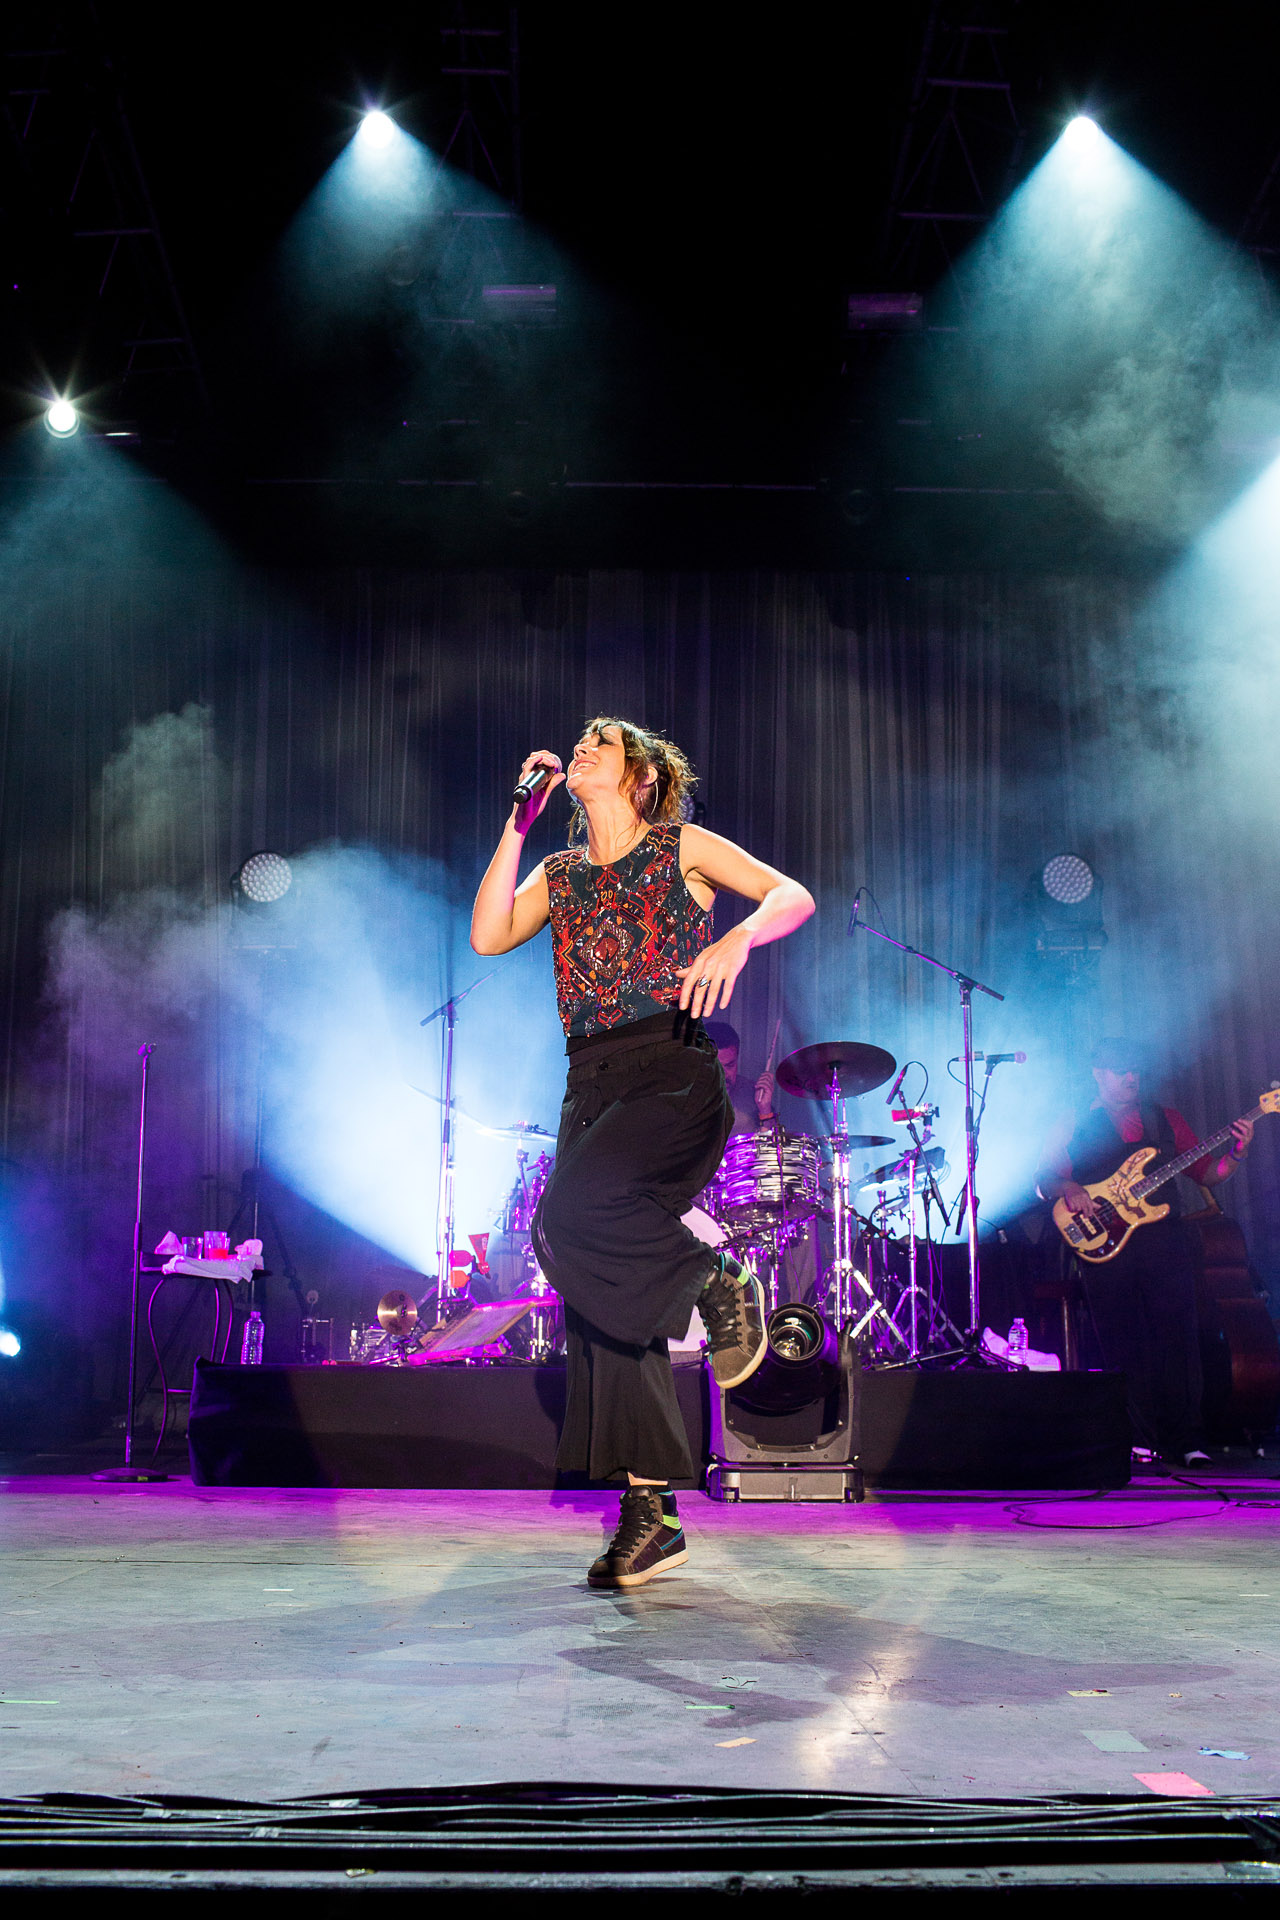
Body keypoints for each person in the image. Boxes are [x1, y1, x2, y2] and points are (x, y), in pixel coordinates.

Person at [471, 718, 814, 1586]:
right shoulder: (560, 872)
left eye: (603, 742)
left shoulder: (679, 846)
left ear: (641, 776)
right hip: (590, 1085)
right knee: (600, 1287)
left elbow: (791, 896)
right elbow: (488, 934)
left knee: (569, 1220)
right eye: (579, 741)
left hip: (672, 1071)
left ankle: (719, 1281)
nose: (582, 747)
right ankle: (650, 1512)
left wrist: (739, 935)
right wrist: (518, 822)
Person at [1036, 1036, 1254, 1468]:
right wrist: (1070, 1187)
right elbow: (1043, 1179)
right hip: (1105, 1242)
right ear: (1099, 1074)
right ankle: (1135, 1437)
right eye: (1121, 1071)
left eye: (1135, 1070)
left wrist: (1237, 1152)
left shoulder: (1164, 1118)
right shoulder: (1073, 1120)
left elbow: (1208, 1174)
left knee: (1179, 1336)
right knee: (1122, 1338)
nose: (1131, 1078)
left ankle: (1187, 1440)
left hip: (1164, 1239)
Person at [703, 1020, 775, 1137]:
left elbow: (772, 1144)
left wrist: (765, 1110)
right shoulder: (683, 1095)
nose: (724, 1075)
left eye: (730, 1065)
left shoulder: (752, 1092)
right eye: (716, 1066)